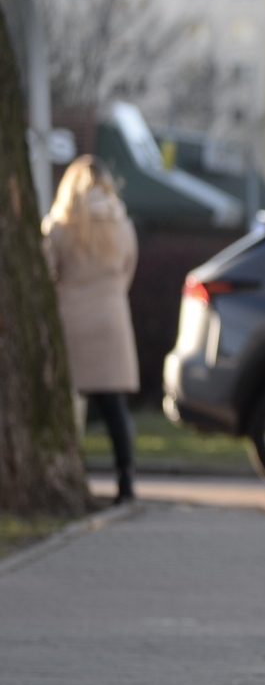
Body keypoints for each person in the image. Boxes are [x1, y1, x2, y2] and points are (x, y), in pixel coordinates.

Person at [41, 155, 141, 504]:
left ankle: (70, 474)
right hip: (112, 319)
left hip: (70, 320)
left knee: (68, 404)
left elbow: (44, 274)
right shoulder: (122, 224)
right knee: (115, 408)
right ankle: (126, 480)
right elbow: (128, 270)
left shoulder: (60, 224)